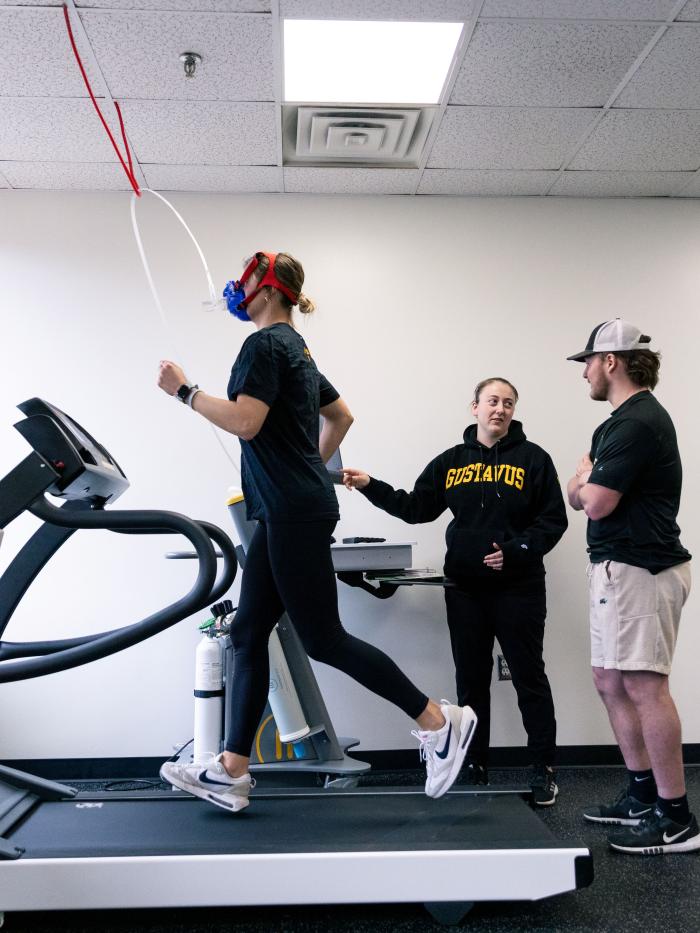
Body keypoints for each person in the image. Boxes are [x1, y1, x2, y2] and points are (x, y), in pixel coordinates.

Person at [156, 250, 476, 812]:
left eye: (246, 283)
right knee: (248, 631)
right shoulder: (298, 350)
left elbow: (246, 421)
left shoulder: (264, 345)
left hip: (291, 511)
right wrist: (309, 469)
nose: (237, 289)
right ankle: (232, 769)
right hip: (286, 509)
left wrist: (184, 391)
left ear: (268, 291)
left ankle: (437, 719)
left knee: (323, 638)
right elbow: (342, 416)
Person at [343, 378, 567, 806]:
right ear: (475, 408)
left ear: (513, 411)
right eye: (492, 402)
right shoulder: (451, 462)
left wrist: (518, 551)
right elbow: (415, 508)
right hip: (465, 589)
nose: (499, 409)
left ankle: (542, 769)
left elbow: (553, 520)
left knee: (529, 678)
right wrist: (371, 484)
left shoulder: (534, 459)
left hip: (519, 588)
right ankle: (473, 764)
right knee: (471, 680)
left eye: (508, 403)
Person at [566, 318, 698, 854]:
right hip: (618, 568)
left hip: (641, 570)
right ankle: (642, 794)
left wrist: (582, 480)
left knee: (644, 686)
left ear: (612, 362)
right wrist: (583, 481)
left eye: (589, 363)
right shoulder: (619, 423)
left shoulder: (637, 423)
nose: (586, 374)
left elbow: (593, 500)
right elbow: (581, 492)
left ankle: (677, 818)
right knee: (609, 680)